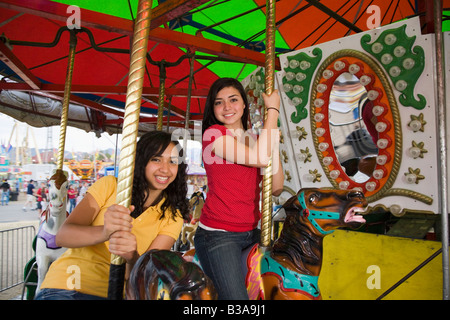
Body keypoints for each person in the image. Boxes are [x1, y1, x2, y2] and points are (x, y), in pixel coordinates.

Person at [34, 131, 189, 300]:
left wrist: (132, 256)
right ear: (141, 160)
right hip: (67, 286)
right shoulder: (109, 186)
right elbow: (63, 236)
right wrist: (104, 232)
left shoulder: (172, 216)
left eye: (172, 162)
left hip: (116, 292)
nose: (165, 169)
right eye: (156, 159)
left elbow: (146, 274)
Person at [194, 77, 284, 300]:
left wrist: (272, 142)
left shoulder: (255, 140)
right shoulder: (213, 135)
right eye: (218, 102)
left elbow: (277, 187)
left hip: (253, 231)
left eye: (233, 100)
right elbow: (261, 158)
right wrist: (272, 110)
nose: (227, 107)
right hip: (219, 235)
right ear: (213, 109)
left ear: (244, 104)